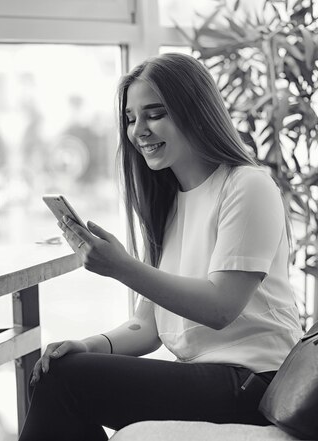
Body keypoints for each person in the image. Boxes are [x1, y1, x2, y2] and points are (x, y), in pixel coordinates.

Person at [18, 53, 303, 441]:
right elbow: (148, 326)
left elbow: (221, 308)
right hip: (207, 377)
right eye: (131, 119)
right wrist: (85, 345)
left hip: (255, 383)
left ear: (196, 112)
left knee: (66, 381)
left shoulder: (247, 185)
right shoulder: (168, 205)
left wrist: (121, 267)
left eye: (155, 114)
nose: (140, 131)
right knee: (55, 371)